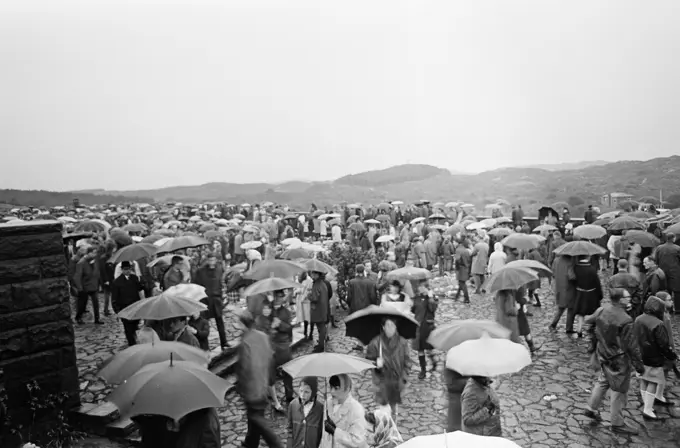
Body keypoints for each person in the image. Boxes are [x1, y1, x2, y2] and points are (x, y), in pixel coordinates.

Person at [584, 288, 644, 434]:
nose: (630, 299)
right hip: (619, 360)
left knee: (603, 380)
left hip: (603, 354)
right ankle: (617, 423)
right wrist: (639, 366)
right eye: (627, 297)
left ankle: (591, 407)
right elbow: (631, 345)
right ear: (620, 300)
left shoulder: (601, 310)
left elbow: (588, 321)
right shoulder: (626, 320)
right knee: (619, 390)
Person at [236, 310, 283, 448]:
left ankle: (275, 444)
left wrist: (242, 389)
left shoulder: (245, 342)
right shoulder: (263, 336)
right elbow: (270, 356)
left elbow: (245, 369)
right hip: (263, 383)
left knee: (257, 419)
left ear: (243, 324)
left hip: (252, 388)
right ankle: (251, 443)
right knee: (254, 418)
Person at [633, 296, 677, 420]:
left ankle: (646, 405)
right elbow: (663, 344)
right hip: (654, 357)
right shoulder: (658, 323)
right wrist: (671, 355)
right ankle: (647, 409)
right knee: (653, 381)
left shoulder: (638, 319)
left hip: (640, 355)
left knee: (644, 379)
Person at [365, 318, 412, 421]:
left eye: (392, 325)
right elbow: (368, 360)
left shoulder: (402, 343)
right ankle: (385, 430)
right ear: (383, 327)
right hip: (382, 381)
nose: (390, 328)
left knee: (394, 409)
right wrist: (376, 364)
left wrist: (403, 378)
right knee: (384, 409)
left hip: (396, 381)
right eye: (388, 325)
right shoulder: (376, 343)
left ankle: (393, 430)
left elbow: (407, 362)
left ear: (396, 327)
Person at [320, 374, 368, 448]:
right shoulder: (328, 403)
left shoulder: (356, 409)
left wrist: (335, 431)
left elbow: (358, 442)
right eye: (331, 387)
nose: (332, 391)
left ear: (347, 389)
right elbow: (324, 438)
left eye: (336, 388)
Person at [194, 253, 228, 351]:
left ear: (216, 260)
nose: (212, 262)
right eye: (210, 260)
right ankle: (205, 347)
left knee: (220, 321)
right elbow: (196, 285)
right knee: (204, 323)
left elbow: (221, 282)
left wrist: (222, 296)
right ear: (207, 260)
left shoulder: (219, 268)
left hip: (216, 299)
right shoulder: (201, 271)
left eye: (214, 260)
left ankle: (224, 342)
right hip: (206, 300)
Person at [269, 290, 294, 411]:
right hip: (271, 346)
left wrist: (280, 324)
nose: (280, 298)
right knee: (270, 371)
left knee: (288, 370)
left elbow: (289, 328)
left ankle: (289, 395)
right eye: (278, 296)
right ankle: (272, 397)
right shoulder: (267, 309)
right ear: (274, 296)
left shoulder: (286, 312)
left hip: (283, 345)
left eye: (282, 296)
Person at [111, 261, 145, 346]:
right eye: (126, 269)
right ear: (122, 270)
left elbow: (139, 288)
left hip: (135, 306)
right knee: (128, 327)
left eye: (129, 269)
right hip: (125, 307)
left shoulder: (134, 278)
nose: (128, 271)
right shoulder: (117, 282)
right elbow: (114, 298)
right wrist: (118, 311)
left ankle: (133, 338)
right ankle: (131, 343)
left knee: (134, 325)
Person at [411, 279, 438, 379]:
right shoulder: (416, 298)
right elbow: (413, 310)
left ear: (427, 288)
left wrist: (430, 297)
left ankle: (434, 361)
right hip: (418, 326)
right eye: (419, 287)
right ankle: (423, 370)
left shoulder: (432, 298)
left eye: (422, 287)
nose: (420, 289)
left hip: (428, 327)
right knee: (420, 349)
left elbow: (433, 309)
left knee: (429, 349)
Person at [287, 377, 324, 448]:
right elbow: (289, 429)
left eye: (306, 392)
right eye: (301, 391)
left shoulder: (320, 409)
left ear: (313, 392)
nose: (302, 395)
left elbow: (321, 433)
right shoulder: (292, 405)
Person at [74, 246, 103, 325]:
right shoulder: (81, 263)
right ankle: (78, 317)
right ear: (89, 253)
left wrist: (100, 282)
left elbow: (97, 272)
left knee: (96, 303)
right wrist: (80, 288)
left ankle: (97, 319)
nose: (95, 254)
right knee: (82, 304)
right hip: (84, 287)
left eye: (96, 252)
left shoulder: (95, 261)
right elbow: (77, 277)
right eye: (94, 252)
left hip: (93, 285)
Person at [653, 232, 680, 313]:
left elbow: (656, 260)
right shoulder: (677, 248)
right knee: (677, 291)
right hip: (675, 271)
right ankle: (678, 309)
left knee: (666, 290)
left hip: (662, 272)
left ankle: (668, 308)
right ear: (673, 238)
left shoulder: (659, 248)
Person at [309, 270, 330, 353]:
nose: (312, 275)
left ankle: (321, 345)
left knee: (321, 327)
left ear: (317, 274)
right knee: (321, 327)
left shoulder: (316, 284)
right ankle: (321, 344)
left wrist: (308, 295)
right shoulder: (322, 283)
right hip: (323, 308)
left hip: (318, 309)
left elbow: (314, 298)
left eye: (313, 273)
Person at [444, 367, 469, 432]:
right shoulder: (452, 364)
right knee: (455, 429)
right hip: (457, 401)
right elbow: (451, 384)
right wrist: (469, 381)